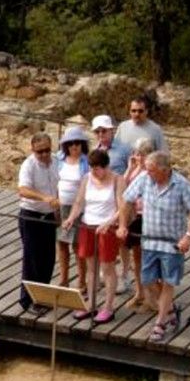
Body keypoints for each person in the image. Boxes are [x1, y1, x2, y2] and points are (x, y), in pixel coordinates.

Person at [118, 151, 190, 342]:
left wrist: (188, 237)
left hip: (172, 245)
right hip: (150, 241)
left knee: (168, 282)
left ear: (165, 170)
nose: (148, 174)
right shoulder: (144, 179)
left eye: (152, 171)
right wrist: (123, 224)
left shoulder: (182, 185)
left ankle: (160, 322)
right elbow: (127, 199)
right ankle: (171, 310)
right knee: (147, 280)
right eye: (148, 170)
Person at [63, 148, 125, 324]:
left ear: (106, 166)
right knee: (91, 268)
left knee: (108, 268)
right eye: (92, 168)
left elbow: (123, 207)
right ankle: (90, 303)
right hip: (88, 226)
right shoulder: (87, 179)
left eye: (98, 168)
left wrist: (110, 222)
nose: (95, 172)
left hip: (107, 229)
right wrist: (70, 218)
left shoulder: (117, 180)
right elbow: (79, 202)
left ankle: (108, 306)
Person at [16, 133, 61, 313]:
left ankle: (41, 296)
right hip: (31, 215)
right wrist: (44, 198)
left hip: (49, 215)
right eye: (40, 151)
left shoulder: (57, 162)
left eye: (47, 150)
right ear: (33, 150)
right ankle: (28, 300)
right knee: (32, 259)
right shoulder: (29, 165)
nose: (44, 154)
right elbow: (23, 189)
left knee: (48, 258)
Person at [120, 138, 156, 308]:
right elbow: (125, 186)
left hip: (146, 216)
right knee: (137, 257)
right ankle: (140, 291)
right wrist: (129, 167)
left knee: (146, 257)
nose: (139, 157)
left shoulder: (150, 172)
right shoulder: (136, 170)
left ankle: (151, 296)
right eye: (137, 154)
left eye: (143, 154)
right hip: (135, 216)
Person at [55, 126, 90, 290]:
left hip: (78, 207)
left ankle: (82, 280)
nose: (74, 146)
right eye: (71, 143)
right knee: (62, 243)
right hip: (62, 206)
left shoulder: (86, 162)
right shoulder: (59, 159)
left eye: (77, 143)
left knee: (77, 245)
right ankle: (64, 279)